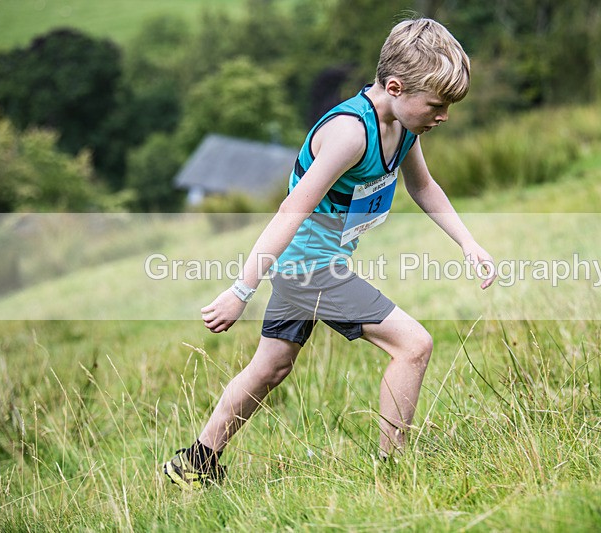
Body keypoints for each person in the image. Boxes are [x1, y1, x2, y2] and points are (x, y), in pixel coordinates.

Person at [163, 17, 496, 489]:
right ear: (396, 87)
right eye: (437, 105)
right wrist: (241, 289)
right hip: (308, 270)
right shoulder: (350, 134)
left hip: (318, 265)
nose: (443, 116)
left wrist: (468, 243)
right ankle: (394, 473)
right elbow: (290, 211)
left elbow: (424, 187)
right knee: (414, 345)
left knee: (270, 367)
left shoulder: (403, 126)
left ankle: (194, 462)